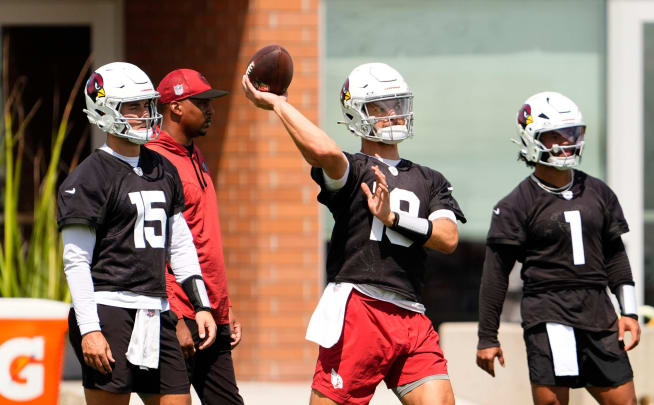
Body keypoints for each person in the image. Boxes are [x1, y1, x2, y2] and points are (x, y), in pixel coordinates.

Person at [242, 63, 466, 405]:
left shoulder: (429, 178)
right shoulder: (354, 169)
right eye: (380, 107)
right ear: (356, 113)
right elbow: (325, 153)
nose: (393, 114)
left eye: (397, 104)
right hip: (361, 307)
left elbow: (448, 238)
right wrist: (279, 105)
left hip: (411, 312)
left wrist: (393, 217)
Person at [58, 62, 217, 405]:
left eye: (147, 105)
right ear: (104, 109)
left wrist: (200, 304)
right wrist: (90, 329)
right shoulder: (88, 178)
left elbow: (180, 243)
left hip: (156, 310)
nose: (145, 114)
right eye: (133, 106)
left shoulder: (163, 167)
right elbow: (76, 262)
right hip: (109, 308)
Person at [475, 91, 641, 405]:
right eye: (555, 136)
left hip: (598, 311)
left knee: (624, 402)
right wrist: (487, 336)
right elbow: (495, 276)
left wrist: (629, 311)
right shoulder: (515, 205)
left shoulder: (599, 192)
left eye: (572, 134)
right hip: (547, 311)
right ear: (531, 139)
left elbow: (615, 255)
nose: (566, 143)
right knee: (552, 403)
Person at [146, 68, 244, 405]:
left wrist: (223, 306)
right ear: (175, 107)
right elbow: (154, 247)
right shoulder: (153, 161)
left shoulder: (194, 154)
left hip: (210, 311)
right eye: (201, 103)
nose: (210, 110)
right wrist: (173, 319)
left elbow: (206, 239)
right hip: (180, 313)